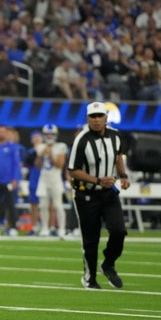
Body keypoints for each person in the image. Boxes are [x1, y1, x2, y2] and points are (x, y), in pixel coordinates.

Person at [67, 101, 130, 290]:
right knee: (91, 238)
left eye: (99, 116)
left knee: (119, 231)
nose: (96, 120)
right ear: (87, 119)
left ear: (106, 117)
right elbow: (73, 170)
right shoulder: (82, 139)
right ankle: (90, 277)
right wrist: (97, 180)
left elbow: (118, 156)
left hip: (108, 193)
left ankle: (108, 263)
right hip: (86, 194)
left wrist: (123, 175)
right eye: (92, 117)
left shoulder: (116, 136)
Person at [35, 124, 68, 238]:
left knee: (58, 206)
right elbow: (37, 166)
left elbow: (59, 165)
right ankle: (44, 228)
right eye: (47, 134)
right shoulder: (40, 147)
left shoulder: (61, 146)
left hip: (55, 180)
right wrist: (41, 156)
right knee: (43, 205)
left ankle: (61, 229)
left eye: (51, 134)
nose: (49, 136)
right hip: (43, 180)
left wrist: (50, 155)